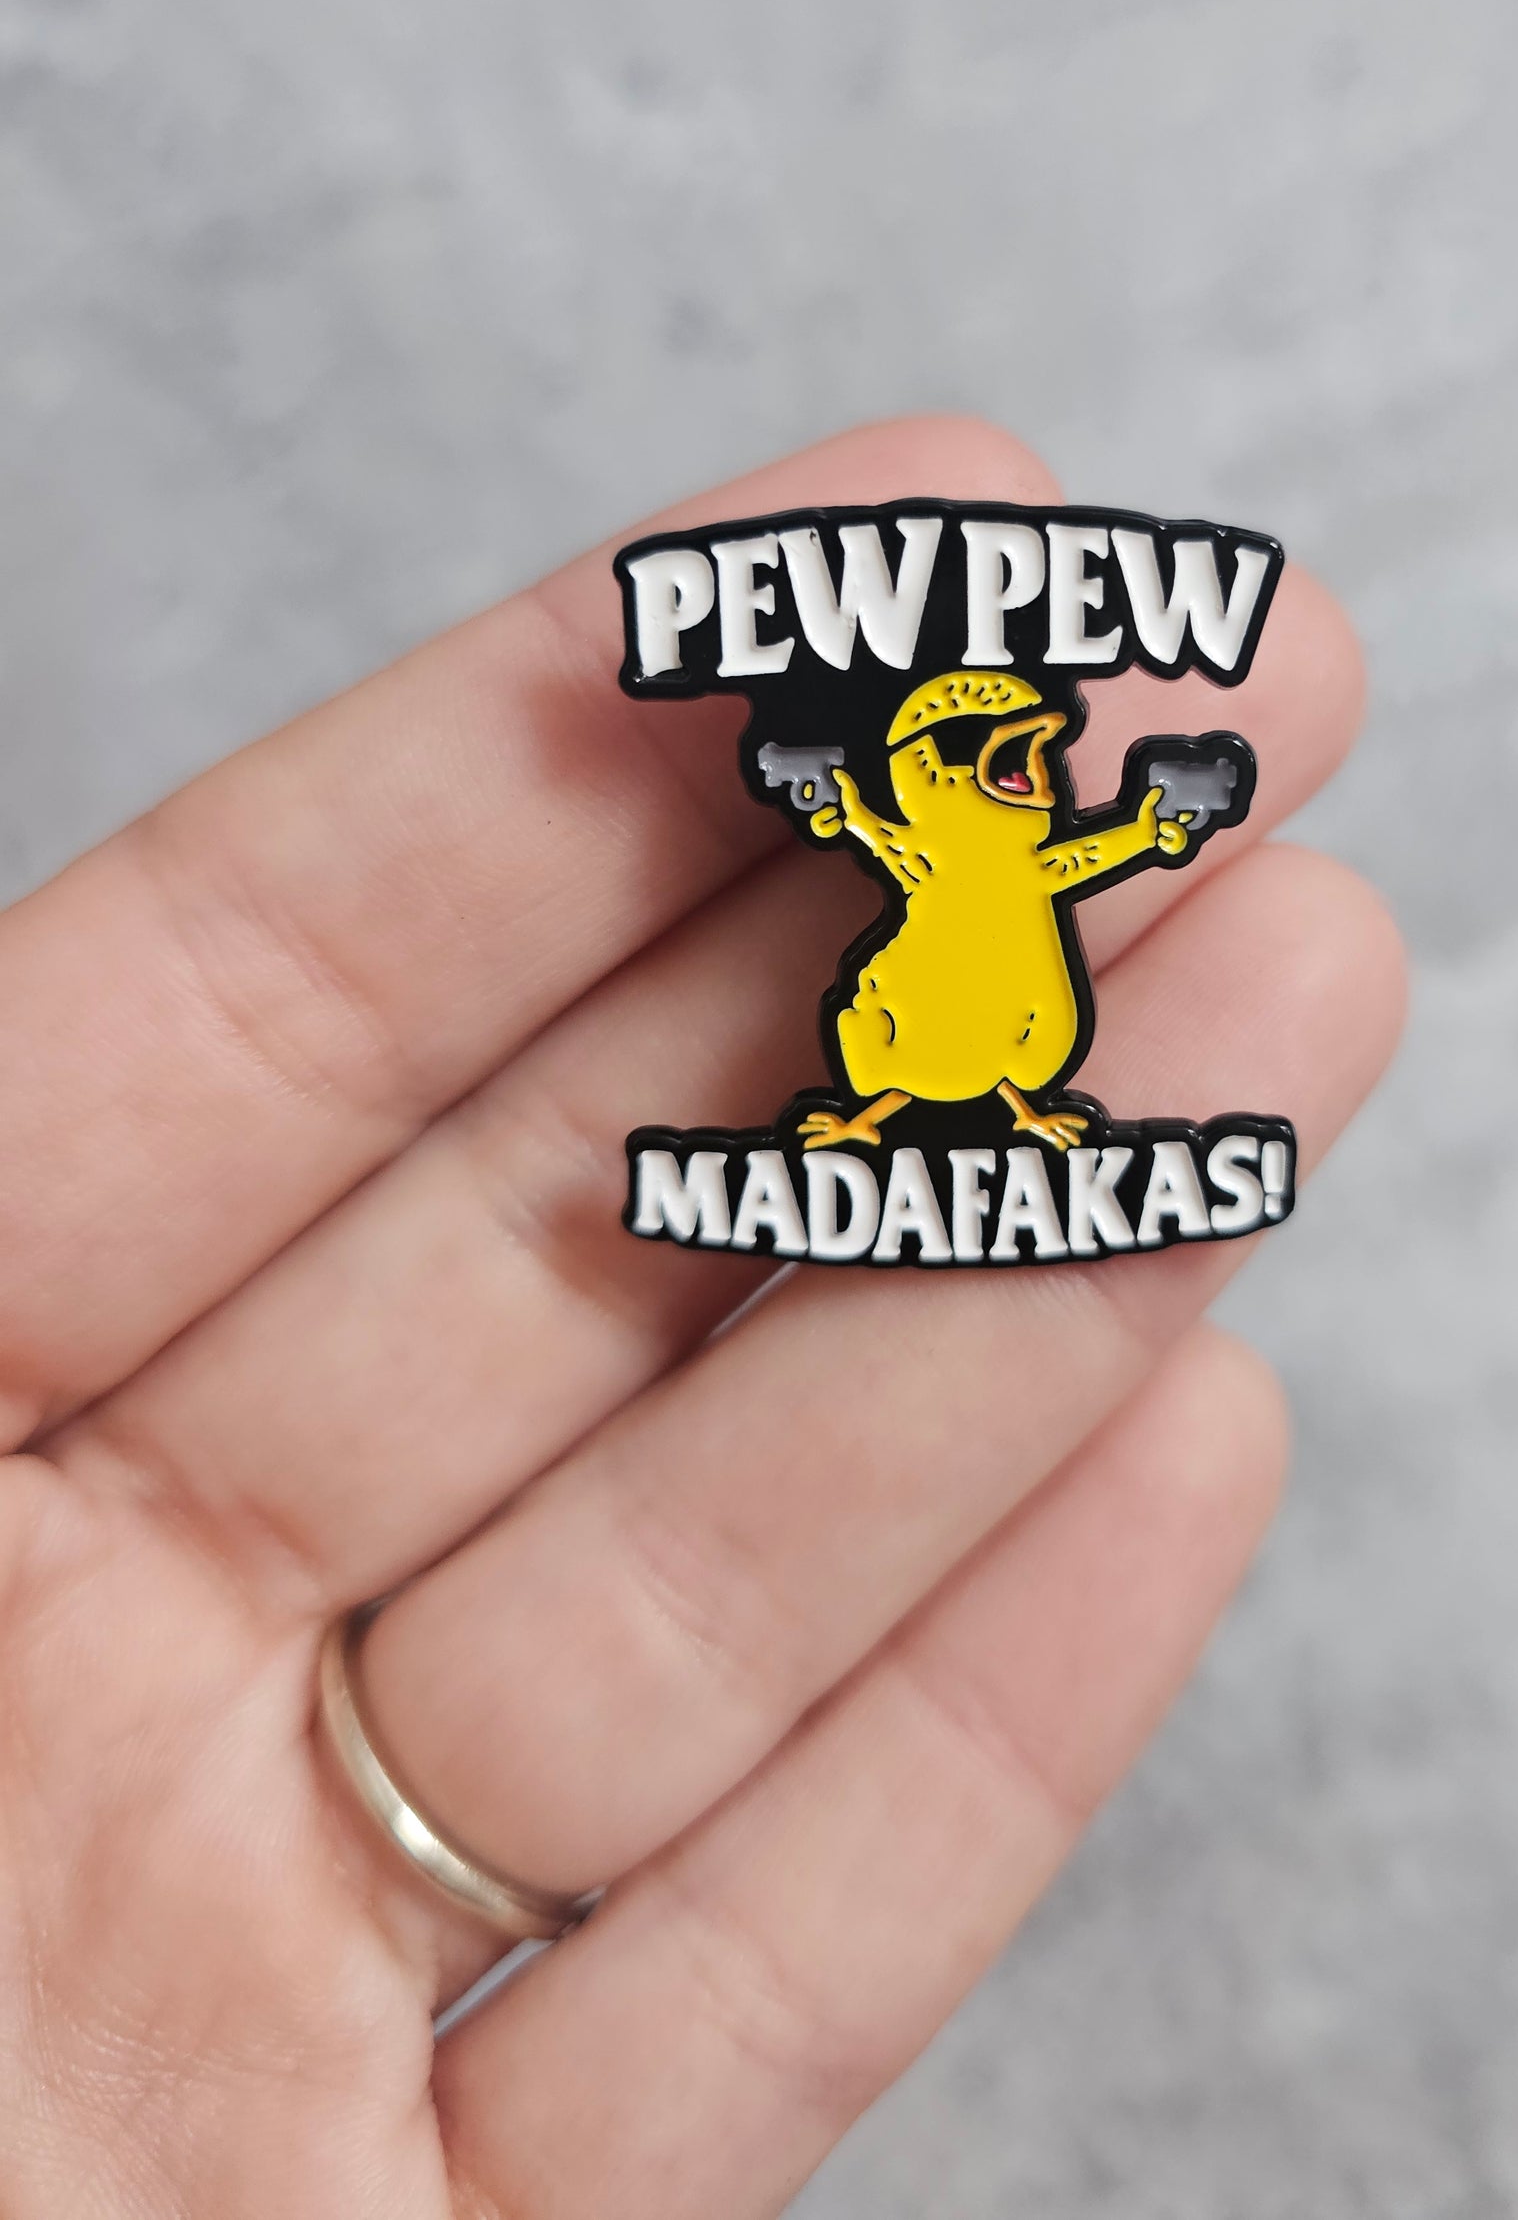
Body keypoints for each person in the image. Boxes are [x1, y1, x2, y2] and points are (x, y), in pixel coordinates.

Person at [0, 417, 1404, 2218]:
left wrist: (1163, 820)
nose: (1025, 776)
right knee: (904, 1027)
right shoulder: (920, 832)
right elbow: (864, 811)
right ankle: (885, 1110)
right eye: (997, 756)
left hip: (1012, 1066)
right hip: (899, 1039)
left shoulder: (1011, 842)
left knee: (1040, 1040)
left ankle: (993, 1109)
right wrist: (827, 785)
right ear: (937, 766)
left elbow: (1080, 849)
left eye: (1028, 757)